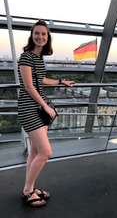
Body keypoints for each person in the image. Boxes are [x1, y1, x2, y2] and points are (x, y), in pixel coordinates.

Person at [18, 19, 75, 206]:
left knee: (34, 152)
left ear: (47, 37)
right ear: (31, 35)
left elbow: (39, 81)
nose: (40, 37)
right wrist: (45, 106)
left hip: (39, 108)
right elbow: (28, 86)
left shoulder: (39, 57)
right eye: (37, 33)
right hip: (29, 109)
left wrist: (61, 82)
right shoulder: (26, 57)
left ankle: (30, 187)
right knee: (46, 152)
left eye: (43, 34)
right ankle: (27, 190)